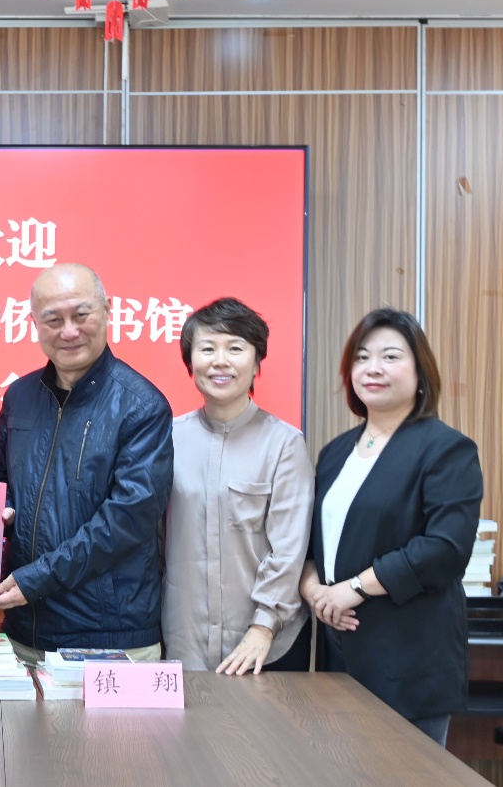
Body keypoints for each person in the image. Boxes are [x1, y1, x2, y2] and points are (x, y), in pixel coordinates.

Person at [300, 308, 483, 747]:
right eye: (362, 357)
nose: (373, 368)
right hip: (339, 650)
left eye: (391, 356)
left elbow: (444, 550)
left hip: (409, 656)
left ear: (421, 374)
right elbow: (310, 545)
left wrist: (354, 588)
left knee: (407, 772)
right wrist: (315, 591)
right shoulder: (334, 453)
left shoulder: (446, 449)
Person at [0, 263, 174, 665]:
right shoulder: (19, 396)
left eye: (81, 314)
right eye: (53, 319)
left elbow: (126, 521)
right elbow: (3, 479)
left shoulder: (143, 406)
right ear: (35, 323)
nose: (68, 331)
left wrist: (36, 579)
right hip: (23, 632)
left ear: (107, 310)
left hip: (109, 640)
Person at [162, 298, 313, 675]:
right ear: (190, 361)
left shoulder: (284, 444)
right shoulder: (166, 440)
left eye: (235, 348)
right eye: (207, 349)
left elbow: (289, 550)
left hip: (269, 646)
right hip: (183, 640)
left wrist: (263, 627)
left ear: (257, 361)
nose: (220, 361)